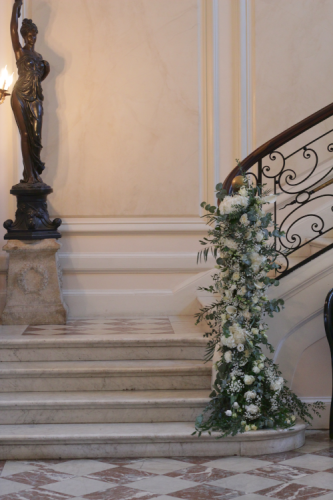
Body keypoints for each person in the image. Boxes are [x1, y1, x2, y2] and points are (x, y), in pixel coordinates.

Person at [10, 0, 50, 184]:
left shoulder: (39, 57)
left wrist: (45, 69)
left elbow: (40, 77)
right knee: (25, 134)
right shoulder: (20, 52)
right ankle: (29, 176)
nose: (32, 38)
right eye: (29, 35)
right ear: (24, 36)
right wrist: (16, 6)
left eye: (34, 35)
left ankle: (34, 173)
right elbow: (12, 29)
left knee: (36, 136)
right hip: (20, 94)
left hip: (35, 97)